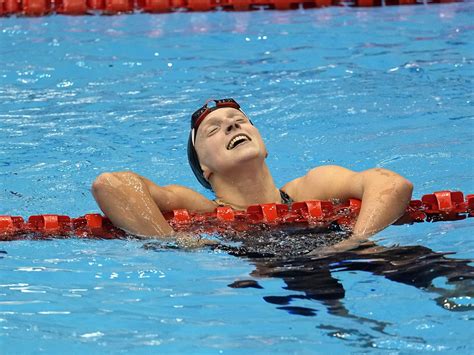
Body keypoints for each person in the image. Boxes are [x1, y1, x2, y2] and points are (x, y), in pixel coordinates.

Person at [92, 98, 413, 252]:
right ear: (205, 168)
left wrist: (357, 241)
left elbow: (392, 183)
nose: (232, 125)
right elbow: (111, 185)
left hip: (357, 254)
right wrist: (173, 241)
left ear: (263, 143)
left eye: (240, 120)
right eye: (213, 130)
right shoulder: (203, 210)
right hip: (271, 279)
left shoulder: (311, 188)